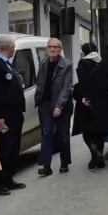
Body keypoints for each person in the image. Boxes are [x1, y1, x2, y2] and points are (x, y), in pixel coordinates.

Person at [0, 35, 26, 195]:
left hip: (14, 114)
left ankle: (8, 178)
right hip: (3, 116)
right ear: (8, 47)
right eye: (13, 47)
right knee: (4, 148)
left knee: (12, 148)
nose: (14, 50)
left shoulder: (5, 64)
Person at [72, 43, 108, 170]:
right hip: (103, 102)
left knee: (87, 131)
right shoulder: (105, 63)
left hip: (88, 101)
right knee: (100, 132)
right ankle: (99, 154)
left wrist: (84, 97)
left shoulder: (83, 63)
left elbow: (83, 82)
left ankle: (93, 151)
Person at [34, 38, 74, 176]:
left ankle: (64, 163)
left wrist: (59, 106)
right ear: (46, 49)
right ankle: (46, 165)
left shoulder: (67, 64)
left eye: (56, 47)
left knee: (63, 135)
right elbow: (40, 82)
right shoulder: (43, 63)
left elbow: (66, 88)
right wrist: (37, 99)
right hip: (45, 104)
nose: (52, 49)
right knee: (46, 134)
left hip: (61, 106)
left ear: (60, 49)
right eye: (50, 47)